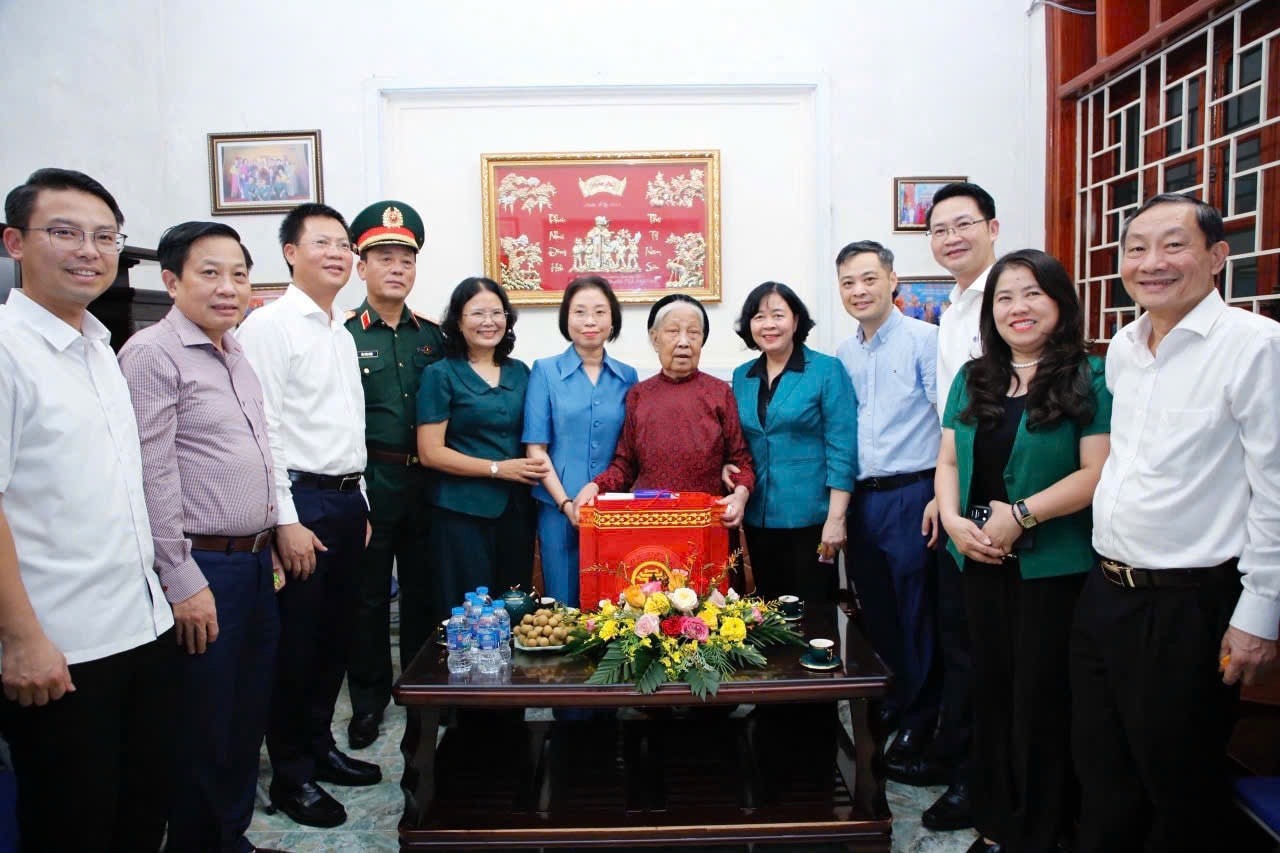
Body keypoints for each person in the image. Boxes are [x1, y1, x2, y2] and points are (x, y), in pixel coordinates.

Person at [1073, 194, 1280, 852]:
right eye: (1137, 248)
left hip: (1190, 601)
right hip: (1107, 590)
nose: (1151, 262)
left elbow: (1275, 487)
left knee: (1179, 780)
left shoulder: (1256, 346)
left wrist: (1259, 613)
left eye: (1173, 245)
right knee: (1103, 767)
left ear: (1216, 256)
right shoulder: (1124, 347)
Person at [0, 168, 176, 851]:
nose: (89, 251)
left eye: (105, 237)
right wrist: (21, 639)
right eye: (65, 232)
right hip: (61, 648)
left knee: (140, 815)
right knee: (72, 825)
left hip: (140, 627)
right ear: (15, 242)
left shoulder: (100, 348)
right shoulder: (8, 352)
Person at [937, 249, 1111, 853]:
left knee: (1042, 698)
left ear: (1059, 301)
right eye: (1005, 297)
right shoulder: (973, 377)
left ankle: (1040, 831)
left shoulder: (1091, 376)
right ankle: (996, 822)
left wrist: (1023, 514)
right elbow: (949, 459)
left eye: (1033, 293)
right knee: (991, 691)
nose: (1018, 307)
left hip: (1053, 569)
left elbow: (1097, 472)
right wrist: (953, 521)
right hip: (979, 562)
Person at [118, 220, 283, 852]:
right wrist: (182, 578)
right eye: (209, 273)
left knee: (245, 715)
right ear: (171, 281)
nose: (228, 287)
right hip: (202, 568)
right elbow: (150, 473)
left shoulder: (234, 351)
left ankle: (230, 838)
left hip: (253, 562)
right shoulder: (153, 354)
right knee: (202, 724)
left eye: (238, 274)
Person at [237, 202, 379, 828]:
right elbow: (261, 429)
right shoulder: (269, 328)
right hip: (301, 502)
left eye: (344, 244)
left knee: (333, 639)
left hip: (345, 500)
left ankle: (320, 748)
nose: (337, 254)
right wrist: (285, 519)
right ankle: (291, 774)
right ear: (291, 253)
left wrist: (362, 499)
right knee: (295, 646)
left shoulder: (341, 332)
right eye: (322, 242)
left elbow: (349, 426)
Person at [913, 181, 1003, 831]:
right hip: (956, 489)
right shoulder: (951, 307)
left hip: (999, 491)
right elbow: (951, 421)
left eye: (963, 224)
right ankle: (958, 757)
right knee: (958, 635)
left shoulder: (1007, 298)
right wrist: (941, 495)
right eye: (939, 229)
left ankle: (982, 782)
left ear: (992, 228)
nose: (951, 238)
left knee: (988, 647)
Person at [834, 241, 942, 778]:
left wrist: (942, 496)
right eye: (848, 283)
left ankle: (923, 719)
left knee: (917, 611)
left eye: (869, 279)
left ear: (892, 280)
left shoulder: (926, 340)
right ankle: (895, 698)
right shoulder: (843, 353)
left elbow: (949, 423)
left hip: (913, 494)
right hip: (863, 499)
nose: (859, 291)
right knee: (875, 610)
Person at [342, 200, 443, 751]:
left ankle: (423, 689)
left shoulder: (434, 337)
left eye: (406, 259)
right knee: (368, 600)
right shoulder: (343, 336)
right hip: (371, 482)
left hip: (426, 484)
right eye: (384, 258)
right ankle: (368, 701)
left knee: (425, 595)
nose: (396, 268)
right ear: (361, 266)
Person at [573, 293, 755, 531]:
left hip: (708, 522)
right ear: (655, 338)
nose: (684, 342)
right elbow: (625, 465)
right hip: (651, 523)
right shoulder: (639, 395)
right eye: (673, 331)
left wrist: (740, 494)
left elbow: (740, 461)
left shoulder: (719, 392)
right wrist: (596, 486)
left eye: (693, 332)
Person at [417, 277, 546, 612]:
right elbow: (430, 452)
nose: (488, 322)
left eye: (496, 313)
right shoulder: (440, 374)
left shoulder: (522, 372)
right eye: (477, 313)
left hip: (516, 513)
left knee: (516, 607)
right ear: (458, 321)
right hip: (461, 515)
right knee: (469, 611)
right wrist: (496, 469)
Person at [730, 281, 855, 618]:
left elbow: (842, 449)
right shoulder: (742, 376)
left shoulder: (826, 370)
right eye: (759, 317)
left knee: (815, 616)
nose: (768, 325)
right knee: (768, 617)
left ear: (796, 320)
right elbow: (738, 441)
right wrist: (728, 464)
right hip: (759, 518)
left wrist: (836, 518)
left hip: (812, 519)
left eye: (778, 315)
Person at [523, 276, 637, 606]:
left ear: (613, 319)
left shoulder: (628, 376)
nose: (590, 321)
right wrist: (565, 503)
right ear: (566, 318)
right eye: (580, 312)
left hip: (613, 507)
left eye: (600, 312)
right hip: (557, 507)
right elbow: (536, 449)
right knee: (563, 604)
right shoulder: (544, 371)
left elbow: (631, 448)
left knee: (616, 604)